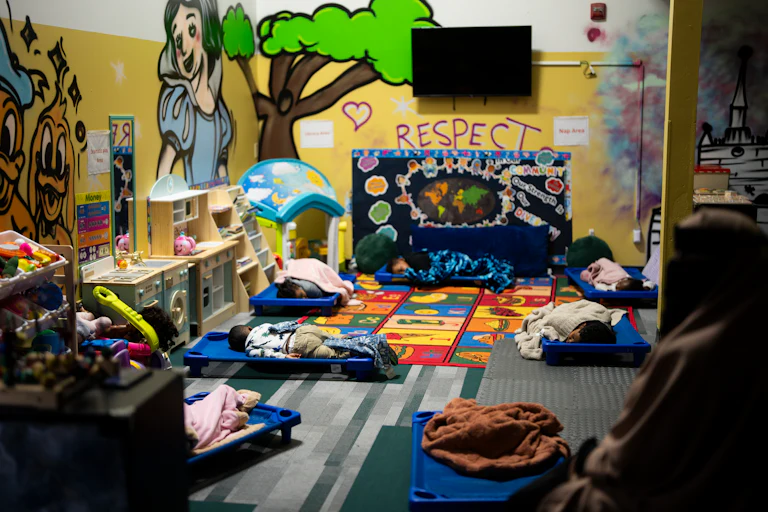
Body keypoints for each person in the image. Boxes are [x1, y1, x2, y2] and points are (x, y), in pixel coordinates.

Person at [508, 209, 767, 511]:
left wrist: (587, 460)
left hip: (658, 496)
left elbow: (631, 458)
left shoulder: (689, 354)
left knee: (528, 498)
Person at [157, 0, 231, 185]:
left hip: (214, 207)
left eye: (191, 30)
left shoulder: (220, 115)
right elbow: (163, 174)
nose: (184, 48)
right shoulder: (181, 106)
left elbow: (222, 175)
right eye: (178, 39)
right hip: (190, 208)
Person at [228, 321, 399, 377]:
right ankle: (370, 339)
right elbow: (280, 327)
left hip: (297, 346)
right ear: (249, 328)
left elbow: (265, 355)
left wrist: (284, 357)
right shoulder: (261, 326)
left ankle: (371, 348)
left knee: (335, 354)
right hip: (304, 329)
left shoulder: (250, 348)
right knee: (335, 339)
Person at [386, 249, 515, 293]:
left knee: (473, 268)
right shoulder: (412, 262)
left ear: (402, 259)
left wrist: (411, 274)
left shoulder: (415, 260)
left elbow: (432, 275)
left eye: (402, 268)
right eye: (401, 273)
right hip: (448, 261)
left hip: (451, 260)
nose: (405, 271)